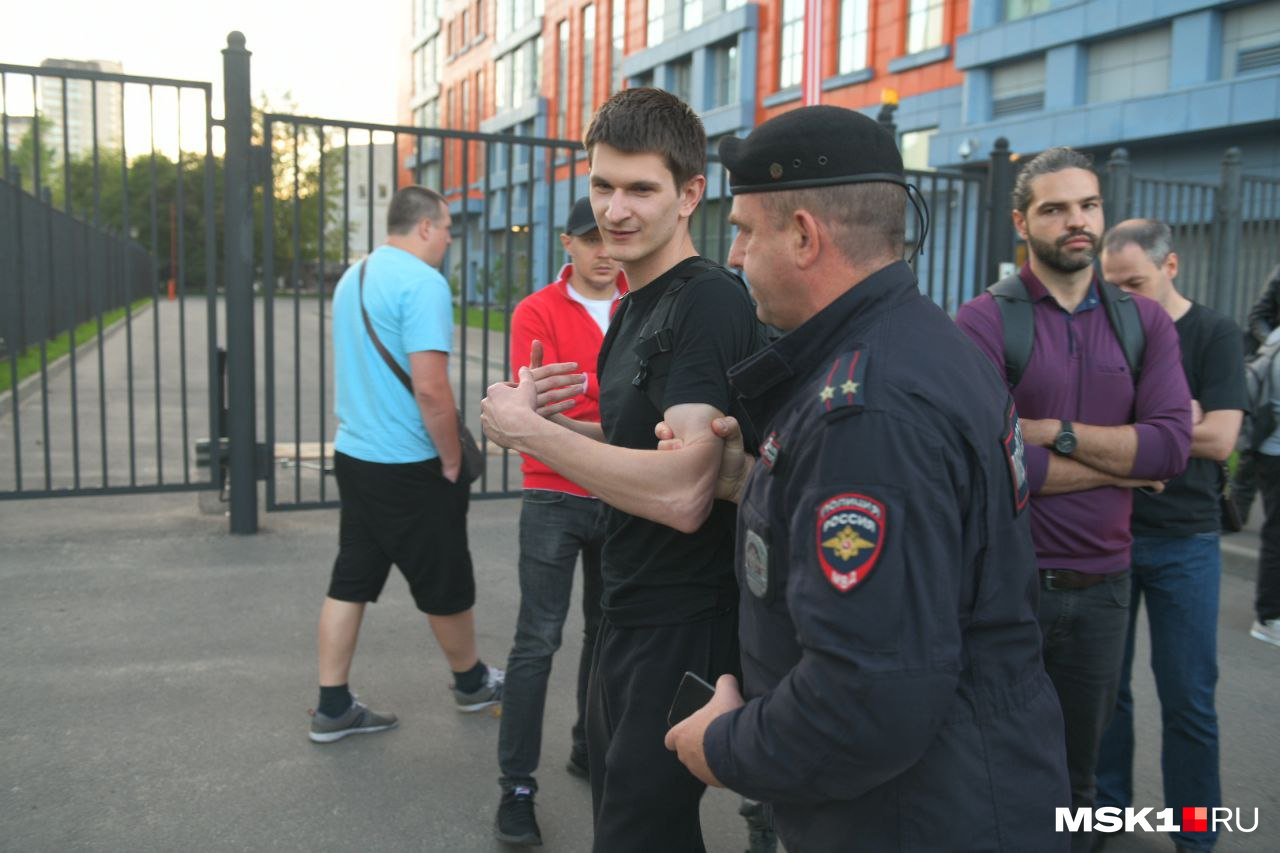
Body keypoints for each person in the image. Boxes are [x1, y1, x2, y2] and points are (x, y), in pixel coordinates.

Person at [659, 104, 1071, 851]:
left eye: (747, 229)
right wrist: (751, 481)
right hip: (953, 788)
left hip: (918, 815)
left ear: (805, 236)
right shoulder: (916, 344)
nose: (736, 252)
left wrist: (723, 745)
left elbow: (868, 696)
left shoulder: (867, 408)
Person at [481, 88, 762, 851]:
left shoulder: (705, 302)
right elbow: (644, 440)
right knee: (626, 815)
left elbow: (684, 491)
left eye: (641, 188)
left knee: (639, 834)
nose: (616, 209)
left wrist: (529, 437)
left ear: (690, 194)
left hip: (682, 618)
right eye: (603, 186)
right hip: (628, 609)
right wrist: (540, 419)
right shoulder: (635, 304)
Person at [955, 149, 1192, 853]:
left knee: (1078, 784)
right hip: (1005, 587)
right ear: (1021, 221)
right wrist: (1123, 463)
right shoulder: (984, 321)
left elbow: (1171, 450)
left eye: (1087, 205)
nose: (1076, 220)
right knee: (992, 769)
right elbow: (990, 465)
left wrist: (1054, 434)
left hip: (1103, 589)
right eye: (1055, 208)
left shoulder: (1144, 320)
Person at [308, 186, 503, 744]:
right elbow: (432, 391)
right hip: (409, 462)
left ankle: (333, 704)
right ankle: (471, 684)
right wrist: (449, 459)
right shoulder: (422, 283)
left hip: (356, 454)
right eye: (446, 228)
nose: (447, 238)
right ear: (423, 227)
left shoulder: (356, 277)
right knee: (444, 576)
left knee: (352, 576)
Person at [1093, 219, 1244, 853]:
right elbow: (1088, 426)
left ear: (1171, 266)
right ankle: (1107, 822)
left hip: (1186, 540)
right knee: (1107, 696)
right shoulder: (1105, 331)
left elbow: (1219, 439)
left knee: (1188, 697)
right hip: (1113, 533)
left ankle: (1196, 837)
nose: (1126, 298)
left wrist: (1146, 431)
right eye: (1114, 287)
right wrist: (1174, 422)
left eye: (1137, 283)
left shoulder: (1212, 334)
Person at [493, 197, 626, 845]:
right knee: (537, 640)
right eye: (589, 238)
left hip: (624, 489)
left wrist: (579, 412)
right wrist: (603, 416)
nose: (605, 250)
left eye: (610, 238)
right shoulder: (537, 310)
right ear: (566, 244)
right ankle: (516, 786)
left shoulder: (642, 299)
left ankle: (587, 742)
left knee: (608, 632)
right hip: (554, 493)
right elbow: (534, 408)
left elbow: (630, 402)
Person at [1230, 264, 1280, 524]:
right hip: (1271, 367)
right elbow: (1257, 317)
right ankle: (1235, 514)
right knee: (1255, 441)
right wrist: (1274, 344)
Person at [1251, 323, 1280, 649]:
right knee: (1276, 537)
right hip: (1276, 452)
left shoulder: (1273, 341)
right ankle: (1269, 617)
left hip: (1269, 452)